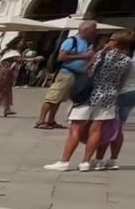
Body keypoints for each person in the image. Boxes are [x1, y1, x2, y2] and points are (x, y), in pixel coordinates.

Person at [48, 30, 132, 172]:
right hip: (109, 96)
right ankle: (86, 162)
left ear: (117, 42)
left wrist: (99, 53)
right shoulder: (127, 61)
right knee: (96, 130)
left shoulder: (101, 55)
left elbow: (87, 70)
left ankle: (64, 161)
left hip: (89, 94)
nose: (108, 42)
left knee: (76, 128)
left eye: (111, 39)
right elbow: (121, 82)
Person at [37, 21, 95, 129]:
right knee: (52, 97)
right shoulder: (71, 41)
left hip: (75, 74)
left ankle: (51, 120)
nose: (94, 32)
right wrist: (83, 56)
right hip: (66, 73)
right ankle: (41, 121)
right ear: (86, 30)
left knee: (59, 99)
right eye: (93, 30)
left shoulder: (85, 42)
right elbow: (61, 57)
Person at [89, 33, 135, 170]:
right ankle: (113, 159)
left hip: (119, 92)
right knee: (118, 127)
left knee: (107, 126)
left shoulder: (118, 57)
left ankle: (99, 159)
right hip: (131, 93)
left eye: (111, 40)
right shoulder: (128, 57)